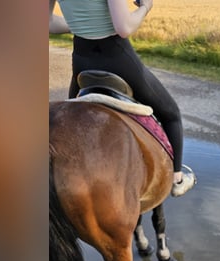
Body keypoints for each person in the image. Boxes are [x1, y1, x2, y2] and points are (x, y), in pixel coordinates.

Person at [49, 0, 196, 197]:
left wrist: (80, 23)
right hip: (117, 59)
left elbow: (47, 22)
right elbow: (124, 28)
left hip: (82, 62)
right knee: (171, 113)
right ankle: (177, 179)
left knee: (71, 121)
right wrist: (145, 7)